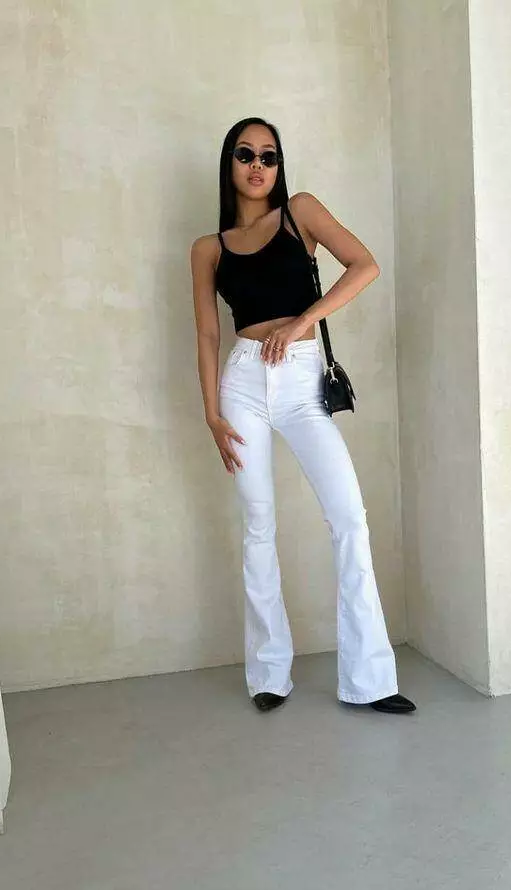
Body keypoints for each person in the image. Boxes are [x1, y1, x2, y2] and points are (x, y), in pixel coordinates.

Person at [190, 117, 416, 715]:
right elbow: (208, 333)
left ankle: (371, 680)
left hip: (301, 380)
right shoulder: (208, 248)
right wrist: (211, 413)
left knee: (349, 517)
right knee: (258, 522)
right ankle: (268, 674)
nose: (257, 165)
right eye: (245, 154)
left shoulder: (301, 212)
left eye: (268, 156)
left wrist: (302, 321)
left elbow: (364, 265)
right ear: (229, 163)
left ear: (279, 165)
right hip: (242, 384)